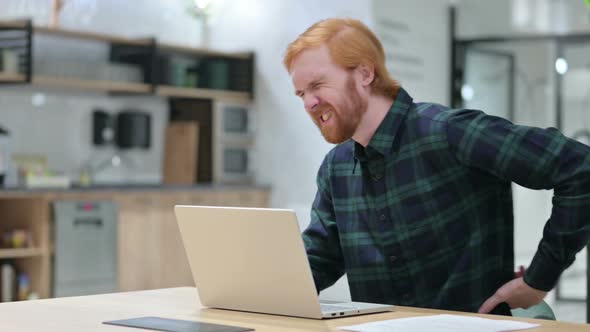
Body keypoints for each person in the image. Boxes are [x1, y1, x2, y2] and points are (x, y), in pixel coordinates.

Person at [282, 17, 590, 316]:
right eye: (301, 94)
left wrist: (539, 278)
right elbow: (321, 257)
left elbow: (580, 168)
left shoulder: (449, 132)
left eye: (317, 85)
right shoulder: (336, 168)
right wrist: (262, 287)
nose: (309, 103)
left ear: (364, 73)